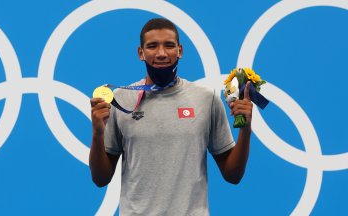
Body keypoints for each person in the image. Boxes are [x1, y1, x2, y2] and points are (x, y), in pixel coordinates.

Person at [89, 18, 253, 215]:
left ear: (180, 51)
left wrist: (245, 129)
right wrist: (98, 133)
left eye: (169, 45)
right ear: (141, 53)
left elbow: (232, 175)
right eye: (152, 46)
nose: (161, 53)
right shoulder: (121, 100)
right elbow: (101, 179)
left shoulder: (205, 99)